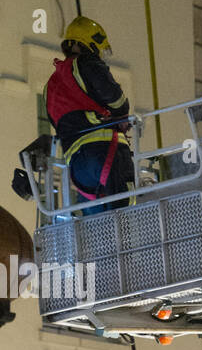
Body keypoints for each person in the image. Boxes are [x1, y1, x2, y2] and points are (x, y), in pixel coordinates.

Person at [43, 16, 134, 213]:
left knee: (95, 227)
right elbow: (116, 99)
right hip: (105, 152)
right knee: (125, 213)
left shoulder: (51, 86)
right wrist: (121, 116)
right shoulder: (87, 63)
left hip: (78, 168)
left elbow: (57, 122)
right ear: (91, 44)